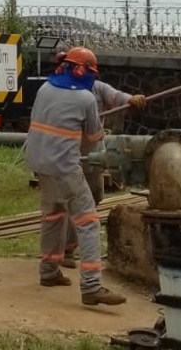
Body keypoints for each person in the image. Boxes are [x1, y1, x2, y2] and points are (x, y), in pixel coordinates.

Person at [26, 46, 125, 306]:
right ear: (85, 72)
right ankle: (92, 286)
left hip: (39, 163)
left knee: (54, 216)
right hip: (65, 168)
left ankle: (48, 271)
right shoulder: (85, 99)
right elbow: (93, 142)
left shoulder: (45, 88)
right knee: (88, 221)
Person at [60, 55, 147, 268]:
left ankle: (70, 245)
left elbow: (116, 96)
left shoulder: (97, 88)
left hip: (93, 155)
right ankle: (67, 249)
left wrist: (131, 99)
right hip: (69, 155)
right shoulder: (62, 91)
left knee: (95, 195)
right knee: (73, 202)